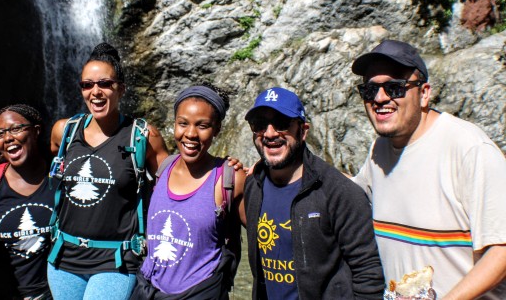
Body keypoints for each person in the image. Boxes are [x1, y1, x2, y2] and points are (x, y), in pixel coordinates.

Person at [351, 39, 506, 298]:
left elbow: (501, 252)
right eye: (370, 90)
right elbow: (348, 192)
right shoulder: (379, 151)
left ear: (424, 94)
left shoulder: (470, 150)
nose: (379, 98)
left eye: (395, 88)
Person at [46, 43, 169, 300]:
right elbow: (36, 165)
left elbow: (173, 184)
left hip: (116, 260)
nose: (96, 92)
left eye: (105, 83)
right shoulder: (64, 131)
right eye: (87, 85)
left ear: (121, 88)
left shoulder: (144, 136)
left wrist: (222, 169)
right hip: (63, 258)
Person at [243, 87, 385, 299]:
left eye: (282, 123)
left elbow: (368, 273)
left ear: (303, 130)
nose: (270, 133)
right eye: (260, 125)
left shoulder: (339, 192)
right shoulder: (254, 185)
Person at [132, 83, 246, 299]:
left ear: (217, 129)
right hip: (148, 289)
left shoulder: (229, 178)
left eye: (202, 126)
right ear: (174, 124)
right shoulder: (162, 168)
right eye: (183, 123)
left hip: (199, 293)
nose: (190, 134)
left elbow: (268, 234)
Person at [0, 104, 55, 300]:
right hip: (7, 292)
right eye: (0, 133)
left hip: (56, 292)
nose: (7, 137)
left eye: (16, 129)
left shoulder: (58, 174)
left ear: (36, 131)